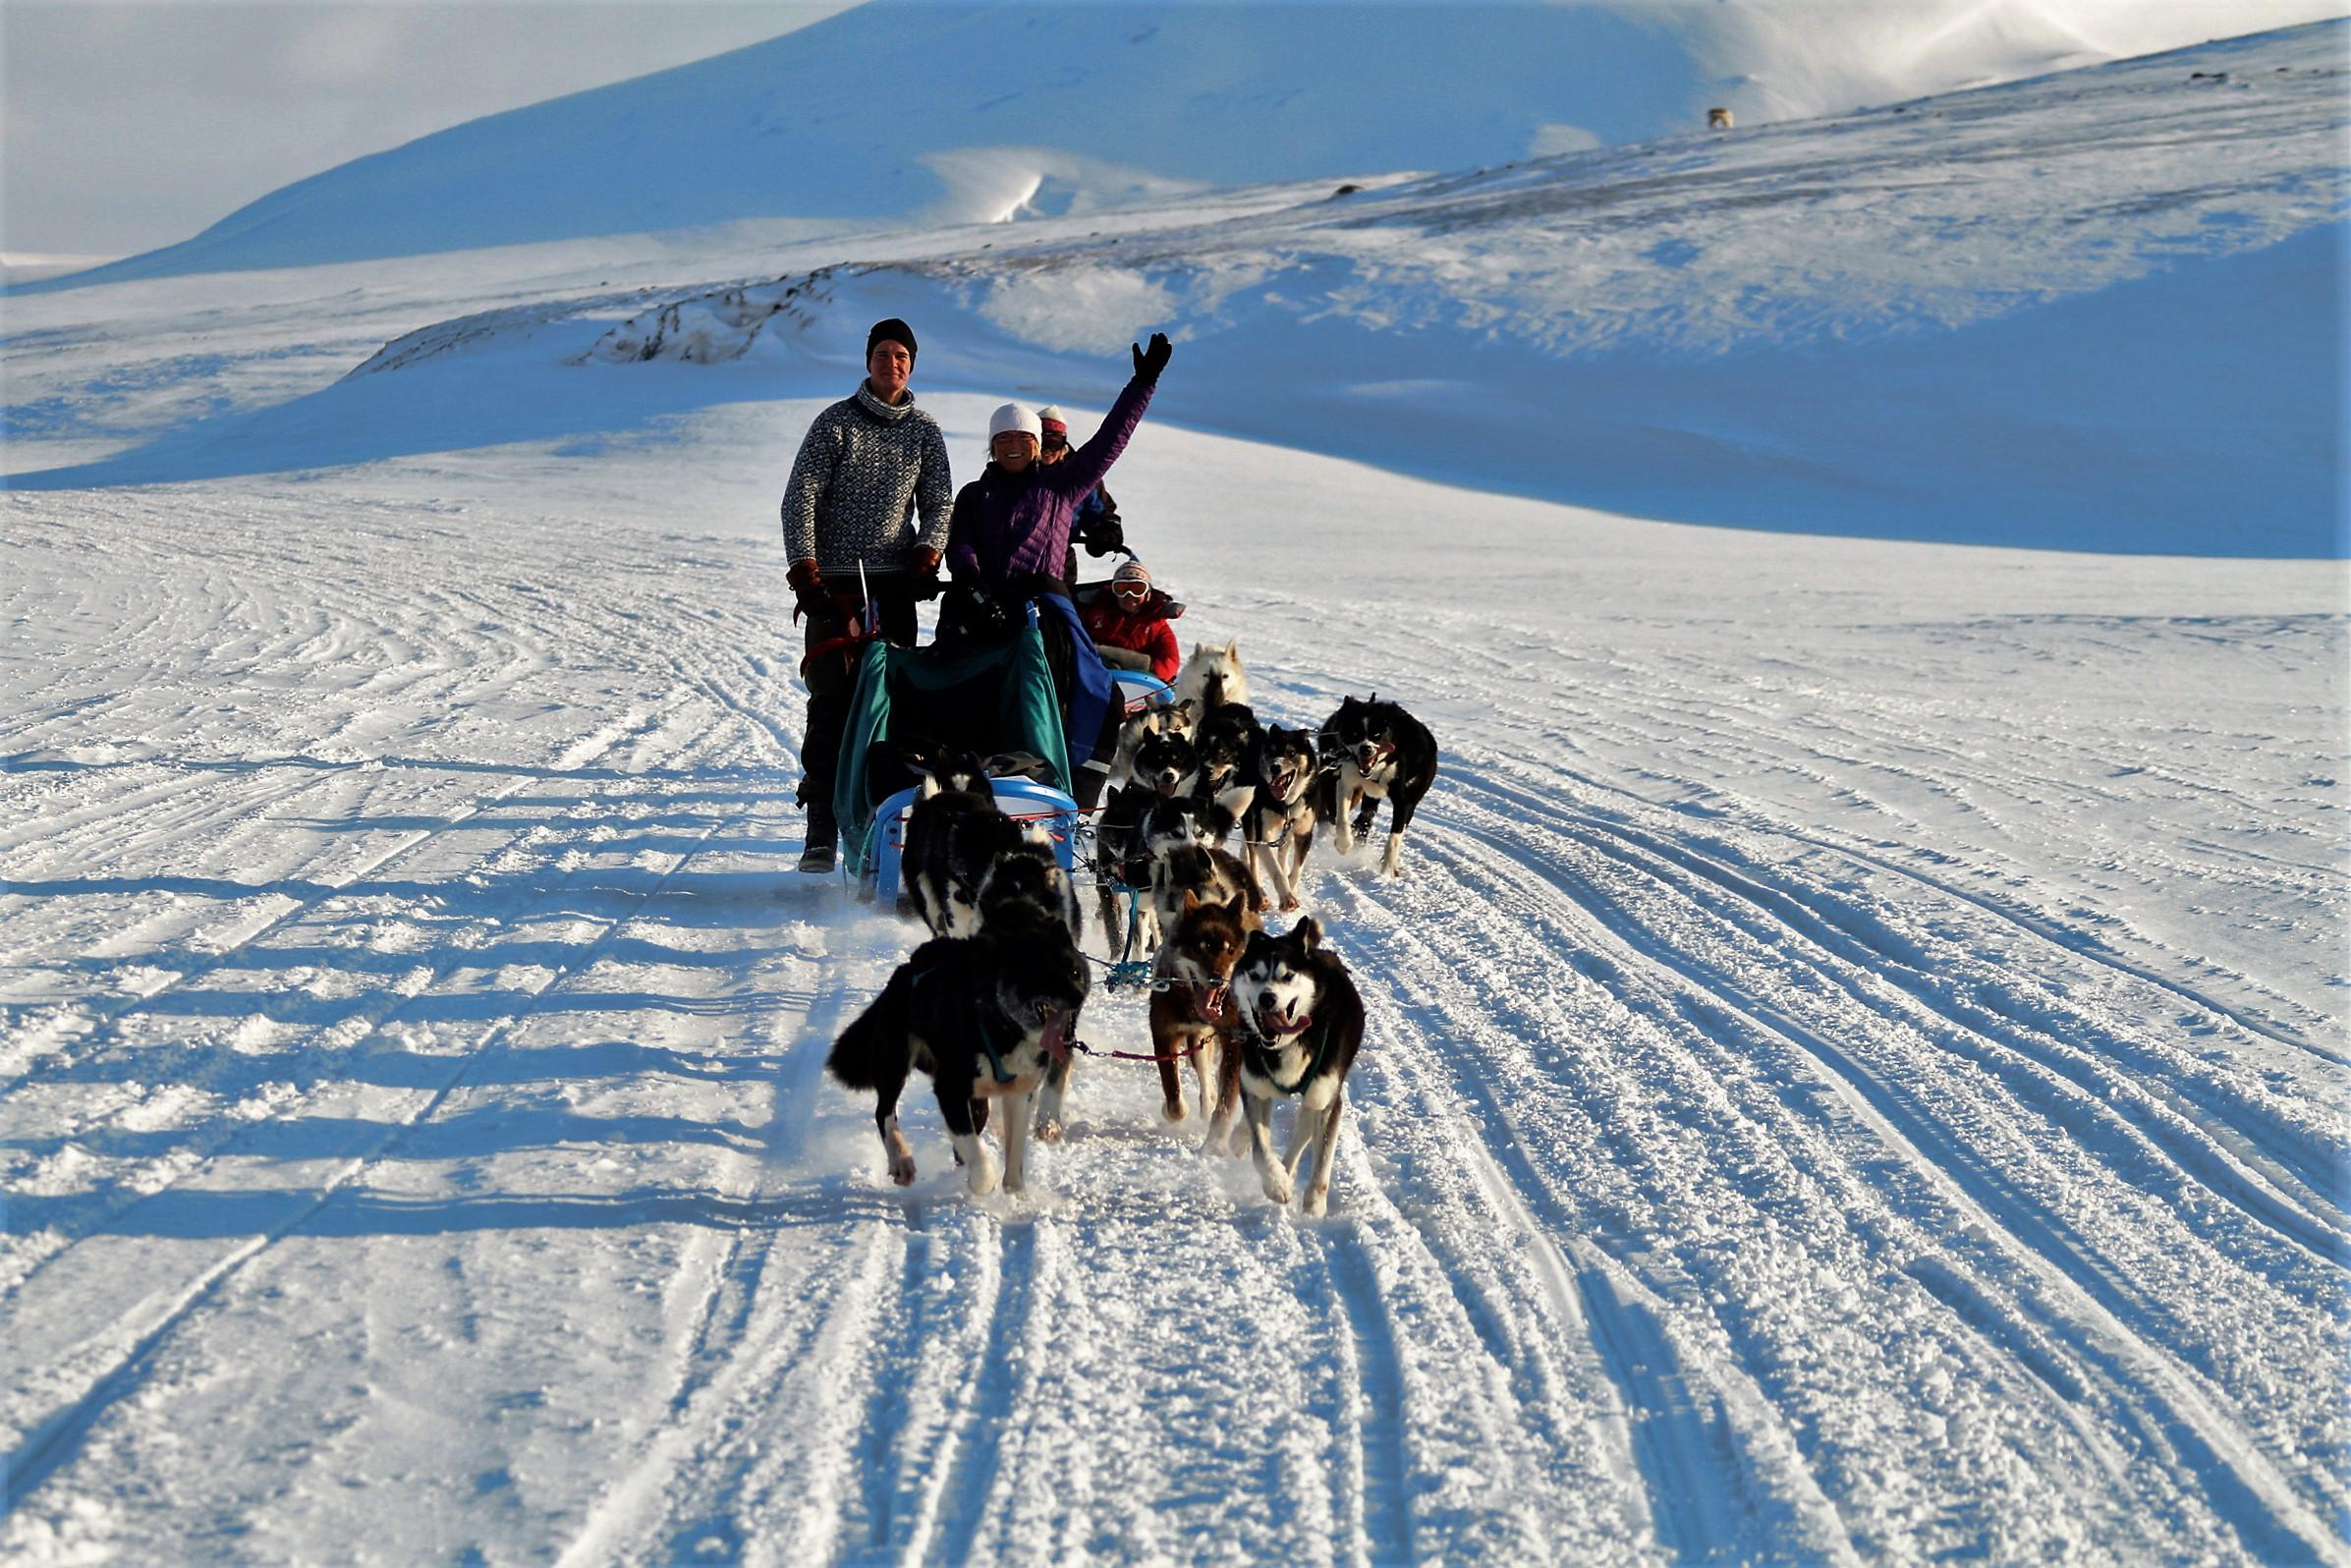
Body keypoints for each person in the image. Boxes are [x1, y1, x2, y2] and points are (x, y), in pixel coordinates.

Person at [945, 333, 1173, 804]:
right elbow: (960, 540)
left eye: (1022, 438)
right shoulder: (973, 494)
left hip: (1043, 611)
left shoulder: (1062, 485)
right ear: (991, 446)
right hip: (979, 607)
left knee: (1093, 695)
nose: (1012, 446)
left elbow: (1112, 441)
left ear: (1036, 444)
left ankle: (1073, 789)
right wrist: (968, 577)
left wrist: (1143, 384)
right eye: (1002, 438)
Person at [778, 317, 952, 872]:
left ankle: (883, 826)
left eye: (902, 355)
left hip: (894, 588)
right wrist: (806, 572)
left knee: (890, 707)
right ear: (868, 360)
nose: (892, 363)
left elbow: (940, 501)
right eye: (883, 353)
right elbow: (799, 498)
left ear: (912, 364)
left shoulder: (924, 429)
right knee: (830, 704)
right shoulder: (835, 423)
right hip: (834, 590)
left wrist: (927, 555)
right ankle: (821, 829)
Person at [1036, 404, 1124, 579]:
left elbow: (1100, 513)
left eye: (1054, 443)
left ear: (1064, 441)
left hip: (1059, 561)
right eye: (1042, 442)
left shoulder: (1080, 476)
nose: (1047, 450)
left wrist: (1106, 532)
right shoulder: (1012, 470)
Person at [1076, 559, 1182, 684]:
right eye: (1122, 589)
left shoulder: (1156, 625)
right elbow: (1074, 637)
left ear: (1147, 594)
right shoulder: (1096, 613)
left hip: (1134, 686)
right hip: (1091, 678)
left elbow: (1169, 664)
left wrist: (1136, 663)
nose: (1129, 595)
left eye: (1137, 589)